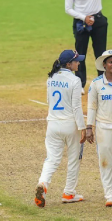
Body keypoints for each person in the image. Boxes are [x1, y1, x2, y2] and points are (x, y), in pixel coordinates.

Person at [35, 50, 87, 208]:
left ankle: (43, 183)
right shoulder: (75, 80)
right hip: (70, 125)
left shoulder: (50, 77)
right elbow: (77, 107)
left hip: (53, 124)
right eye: (76, 61)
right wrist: (83, 127)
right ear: (68, 64)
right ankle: (69, 193)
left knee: (51, 159)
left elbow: (48, 100)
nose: (79, 63)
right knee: (74, 159)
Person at [65, 0, 112, 95]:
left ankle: (102, 81)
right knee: (80, 52)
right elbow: (68, 8)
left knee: (100, 52)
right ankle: (80, 83)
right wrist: (84, 18)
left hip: (98, 20)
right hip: (81, 22)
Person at [86, 49, 112, 207]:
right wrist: (89, 127)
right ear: (104, 65)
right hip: (104, 127)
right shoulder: (96, 84)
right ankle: (110, 194)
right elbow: (91, 106)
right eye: (110, 62)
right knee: (106, 162)